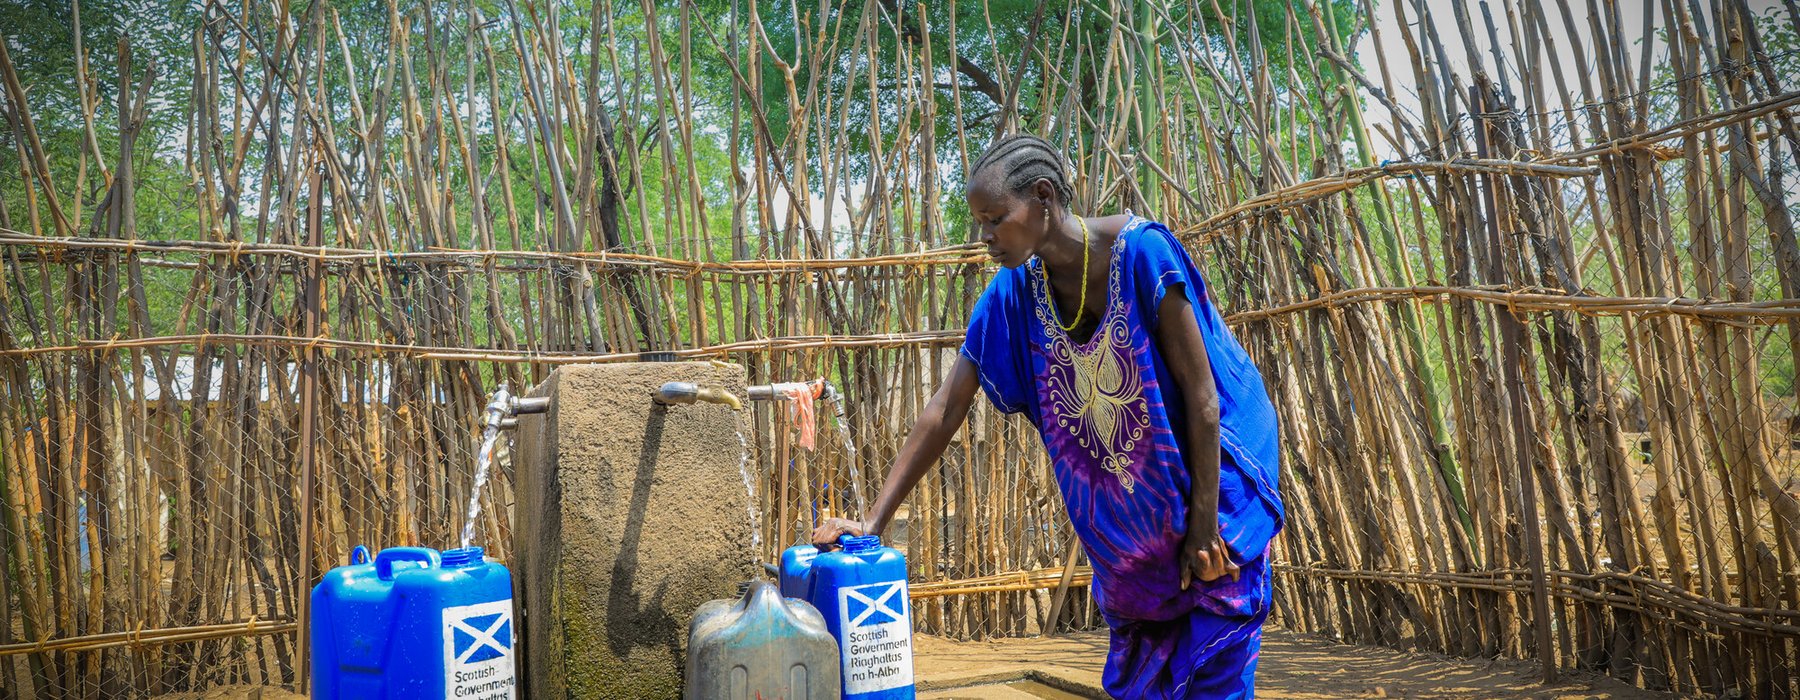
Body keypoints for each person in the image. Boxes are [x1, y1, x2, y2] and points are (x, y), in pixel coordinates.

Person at [811, 134, 1284, 698]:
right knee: (1148, 677)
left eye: (994, 219)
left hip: (1215, 485)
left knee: (1216, 667)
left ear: (1041, 197)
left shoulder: (1142, 255)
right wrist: (873, 523)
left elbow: (1203, 397)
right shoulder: (1013, 294)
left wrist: (1203, 522)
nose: (984, 237)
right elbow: (946, 407)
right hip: (1136, 528)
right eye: (980, 224)